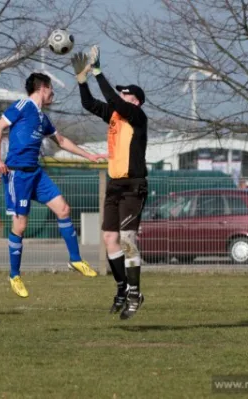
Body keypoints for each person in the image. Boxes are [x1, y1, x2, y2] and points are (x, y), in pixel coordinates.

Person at [0, 72, 106, 298]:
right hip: (18, 174)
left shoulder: (43, 118)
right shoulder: (22, 105)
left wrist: (88, 156)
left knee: (63, 209)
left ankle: (75, 260)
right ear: (43, 87)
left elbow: (61, 141)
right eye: (51, 88)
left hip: (36, 172)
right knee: (20, 227)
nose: (53, 93)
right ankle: (14, 275)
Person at [72, 47, 148, 320]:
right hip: (115, 185)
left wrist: (99, 72)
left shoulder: (137, 117)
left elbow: (114, 101)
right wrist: (83, 80)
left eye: (127, 94)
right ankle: (121, 288)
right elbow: (90, 104)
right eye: (122, 93)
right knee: (109, 239)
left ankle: (135, 293)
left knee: (128, 240)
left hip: (133, 185)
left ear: (136, 101)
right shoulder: (116, 116)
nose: (122, 96)